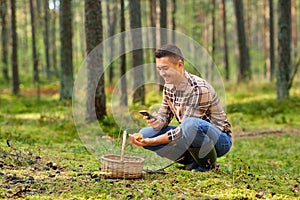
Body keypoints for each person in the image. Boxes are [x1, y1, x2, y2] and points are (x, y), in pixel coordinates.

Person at [129, 44, 232, 172]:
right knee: (146, 133)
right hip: (189, 133)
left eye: (165, 68)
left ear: (179, 64)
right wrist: (156, 121)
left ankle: (208, 165)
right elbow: (164, 116)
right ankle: (192, 162)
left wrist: (152, 141)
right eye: (159, 69)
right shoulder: (168, 86)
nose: (162, 73)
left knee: (190, 124)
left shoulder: (199, 89)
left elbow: (184, 130)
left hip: (220, 140)